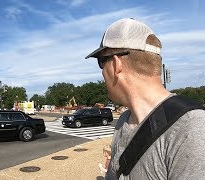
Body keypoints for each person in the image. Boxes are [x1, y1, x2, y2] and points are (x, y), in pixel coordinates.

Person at [86, 18, 205, 179]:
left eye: (101, 62)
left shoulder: (192, 127)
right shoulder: (123, 121)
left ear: (116, 64)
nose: (101, 73)